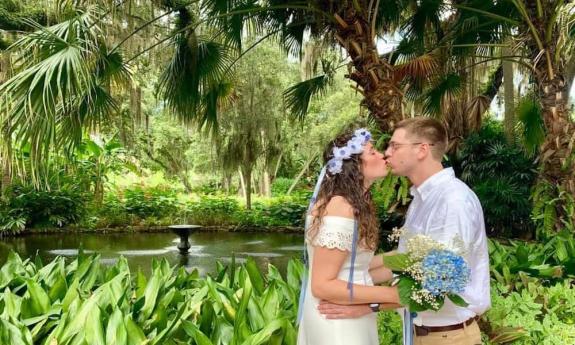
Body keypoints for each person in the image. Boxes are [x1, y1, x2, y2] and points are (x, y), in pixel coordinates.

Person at [318, 118, 490, 345]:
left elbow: (440, 282)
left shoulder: (452, 201)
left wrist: (369, 306)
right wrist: (348, 273)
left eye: (395, 146)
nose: (386, 153)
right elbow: (409, 262)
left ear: (422, 150)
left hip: (449, 336)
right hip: (423, 333)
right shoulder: (421, 198)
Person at [296, 128, 401, 345]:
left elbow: (355, 267)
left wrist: (405, 259)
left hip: (349, 311)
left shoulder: (352, 204)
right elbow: (322, 285)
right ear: (354, 167)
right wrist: (394, 295)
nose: (383, 155)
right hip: (337, 320)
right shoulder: (340, 207)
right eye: (372, 152)